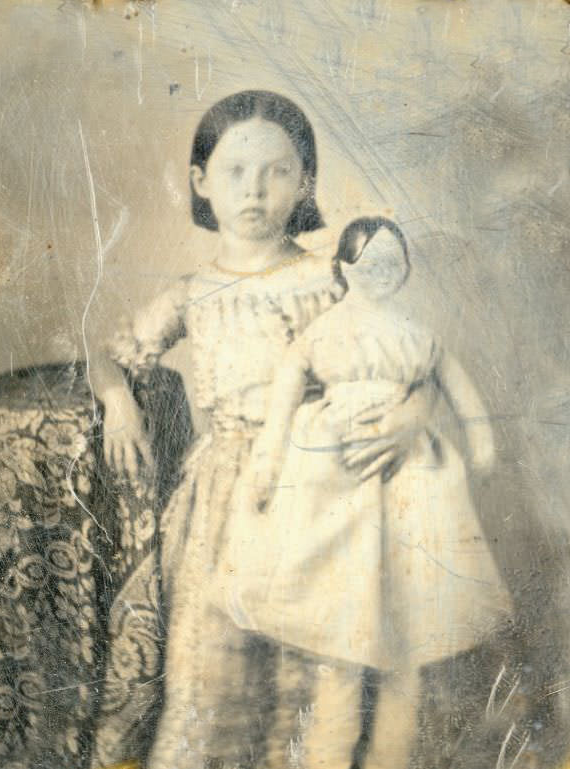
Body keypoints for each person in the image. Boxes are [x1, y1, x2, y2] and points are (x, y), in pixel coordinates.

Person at [95, 92, 433, 769]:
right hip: (226, 496)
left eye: (277, 172)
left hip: (321, 489)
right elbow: (109, 353)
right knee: (209, 661)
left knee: (312, 668)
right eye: (235, 172)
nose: (254, 190)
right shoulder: (195, 291)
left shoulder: (330, 278)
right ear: (200, 182)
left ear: (306, 180)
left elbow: (409, 362)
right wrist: (119, 402)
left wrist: (406, 421)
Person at [217, 217, 513, 768]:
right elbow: (283, 400)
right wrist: (265, 463)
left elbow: (460, 390)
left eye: (390, 264)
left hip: (411, 492)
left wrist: (481, 442)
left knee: (405, 649)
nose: (380, 274)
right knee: (340, 653)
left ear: (402, 273)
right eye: (368, 263)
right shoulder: (320, 334)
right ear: (345, 269)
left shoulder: (418, 336)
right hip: (334, 491)